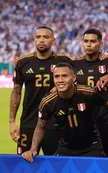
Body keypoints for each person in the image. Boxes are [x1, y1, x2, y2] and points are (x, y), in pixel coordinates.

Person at [22, 62, 104, 162]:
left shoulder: (89, 93)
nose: (60, 80)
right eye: (57, 77)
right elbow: (40, 126)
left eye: (65, 76)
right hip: (66, 148)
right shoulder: (48, 102)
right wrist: (33, 149)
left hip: (92, 147)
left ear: (73, 78)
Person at [10, 26, 72, 155]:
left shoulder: (64, 61)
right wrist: (12, 121)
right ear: (34, 40)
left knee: (57, 166)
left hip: (56, 123)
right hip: (29, 123)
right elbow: (16, 92)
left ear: (53, 40)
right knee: (25, 165)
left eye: (46, 37)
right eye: (38, 37)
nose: (41, 40)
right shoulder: (23, 62)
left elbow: (80, 78)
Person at [72, 28, 108, 155]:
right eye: (86, 41)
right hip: (82, 120)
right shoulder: (74, 64)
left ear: (100, 44)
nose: (88, 44)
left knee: (107, 157)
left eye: (92, 41)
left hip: (105, 119)